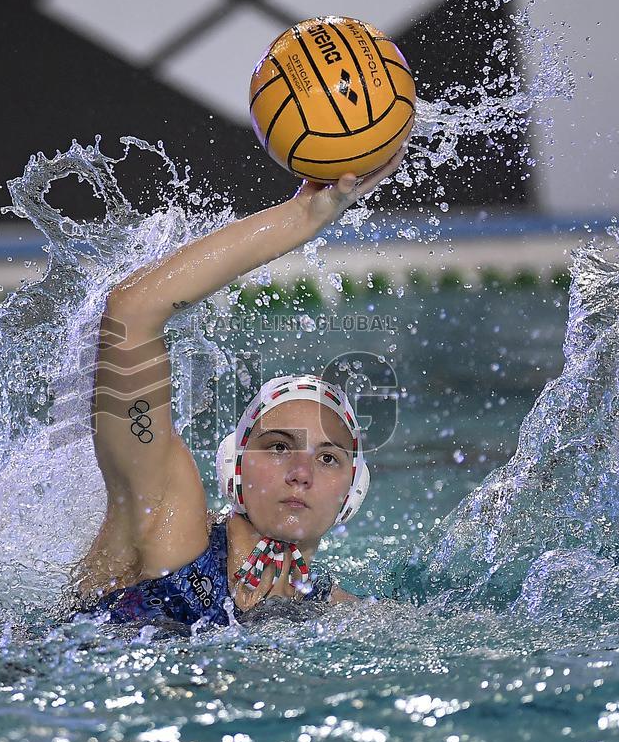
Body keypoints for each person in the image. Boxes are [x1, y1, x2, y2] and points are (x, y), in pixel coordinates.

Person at [70, 145, 409, 628]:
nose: (301, 472)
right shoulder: (168, 526)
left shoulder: (345, 616)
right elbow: (132, 312)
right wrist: (299, 218)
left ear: (352, 492)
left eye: (329, 457)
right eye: (277, 447)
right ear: (234, 470)